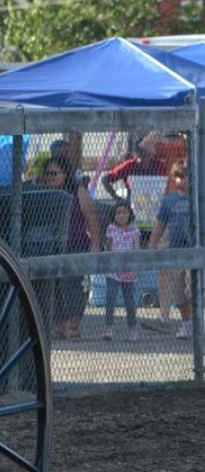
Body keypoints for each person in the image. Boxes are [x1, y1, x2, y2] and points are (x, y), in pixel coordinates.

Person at [41, 156, 100, 339]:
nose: (50, 177)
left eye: (54, 173)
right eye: (47, 174)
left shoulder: (78, 192)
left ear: (65, 174)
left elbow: (91, 218)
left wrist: (95, 245)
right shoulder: (44, 194)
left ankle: (73, 325)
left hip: (75, 247)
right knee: (55, 288)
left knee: (74, 287)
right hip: (52, 249)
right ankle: (57, 326)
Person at [149, 162, 194, 339]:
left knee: (193, 288)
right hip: (176, 250)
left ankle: (195, 323)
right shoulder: (169, 200)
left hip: (194, 250)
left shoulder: (199, 197)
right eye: (178, 176)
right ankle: (186, 324)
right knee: (179, 292)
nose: (181, 180)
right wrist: (152, 245)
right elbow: (160, 224)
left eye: (185, 176)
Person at [102, 201, 139, 341]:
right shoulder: (111, 228)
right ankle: (109, 328)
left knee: (130, 301)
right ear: (114, 215)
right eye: (118, 212)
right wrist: (108, 264)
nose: (121, 215)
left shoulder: (134, 230)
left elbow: (137, 249)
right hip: (113, 271)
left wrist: (135, 269)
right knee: (110, 299)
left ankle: (132, 329)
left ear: (129, 214)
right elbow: (108, 247)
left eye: (124, 212)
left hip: (128, 271)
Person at [102, 131, 169, 203]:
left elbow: (167, 182)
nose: (144, 157)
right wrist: (118, 198)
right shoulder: (129, 166)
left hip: (155, 200)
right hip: (133, 201)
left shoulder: (158, 165)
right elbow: (105, 179)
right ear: (137, 155)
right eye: (141, 155)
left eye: (147, 154)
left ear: (151, 154)